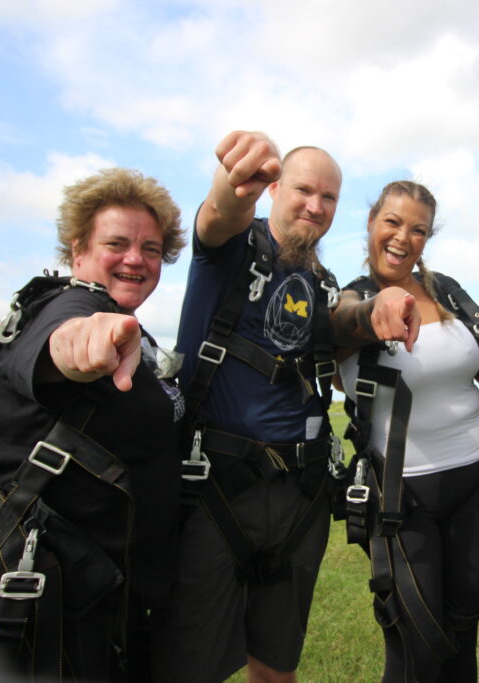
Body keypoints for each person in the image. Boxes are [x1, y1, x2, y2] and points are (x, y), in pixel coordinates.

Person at [0, 168, 187, 680]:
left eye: (150, 248)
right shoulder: (65, 306)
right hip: (56, 607)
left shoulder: (134, 332)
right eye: (116, 243)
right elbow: (63, 343)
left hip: (109, 600)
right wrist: (81, 342)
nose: (135, 259)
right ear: (78, 252)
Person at [151, 132, 343, 683]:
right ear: (276, 187)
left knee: (276, 666)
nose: (316, 205)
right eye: (305, 189)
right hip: (215, 488)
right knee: (187, 666)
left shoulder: (320, 282)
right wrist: (236, 182)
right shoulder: (231, 251)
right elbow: (217, 214)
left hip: (298, 499)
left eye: (329, 198)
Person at [330, 180, 479, 682]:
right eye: (392, 222)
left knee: (464, 625)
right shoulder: (348, 301)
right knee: (415, 636)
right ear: (371, 223)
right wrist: (375, 313)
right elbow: (343, 325)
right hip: (401, 494)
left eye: (418, 229)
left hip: (477, 479)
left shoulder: (447, 290)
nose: (402, 237)